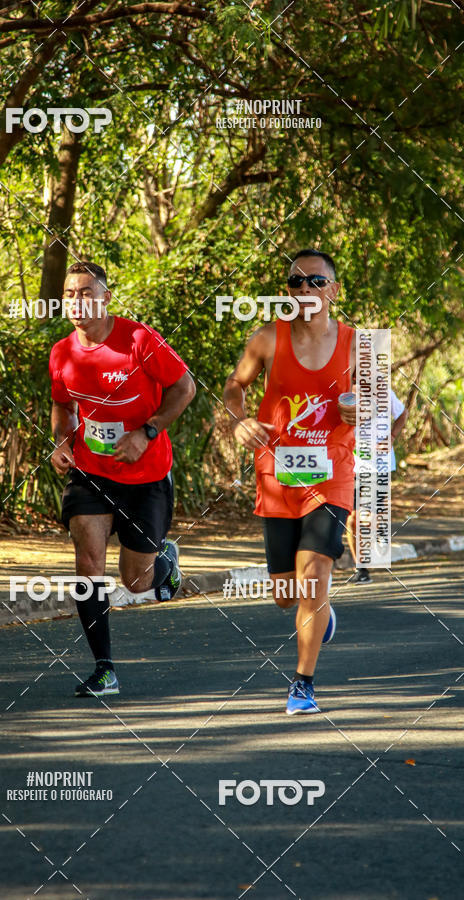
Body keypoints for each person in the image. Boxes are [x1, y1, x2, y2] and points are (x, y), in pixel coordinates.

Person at [49, 261, 195, 697]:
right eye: (69, 294)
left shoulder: (139, 340)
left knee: (135, 582)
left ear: (106, 298)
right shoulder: (62, 353)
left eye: (86, 292)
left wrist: (146, 432)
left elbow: (185, 388)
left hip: (146, 475)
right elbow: (63, 406)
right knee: (88, 562)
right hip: (91, 472)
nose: (77, 301)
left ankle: (164, 562)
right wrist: (61, 443)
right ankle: (104, 668)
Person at [223, 249, 356, 715]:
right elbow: (235, 386)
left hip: (332, 474)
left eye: (316, 282)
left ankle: (303, 684)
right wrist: (240, 420)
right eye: (296, 282)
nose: (305, 290)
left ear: (334, 291)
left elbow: (382, 405)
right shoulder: (267, 338)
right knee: (285, 595)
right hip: (278, 477)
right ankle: (319, 613)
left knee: (314, 574)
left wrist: (362, 409)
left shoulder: (359, 345)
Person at [347, 390, 408, 583]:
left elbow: (403, 414)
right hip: (352, 465)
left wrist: (392, 436)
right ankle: (361, 569)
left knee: (368, 517)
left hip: (379, 465)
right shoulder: (344, 391)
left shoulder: (384, 391)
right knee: (352, 520)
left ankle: (380, 527)